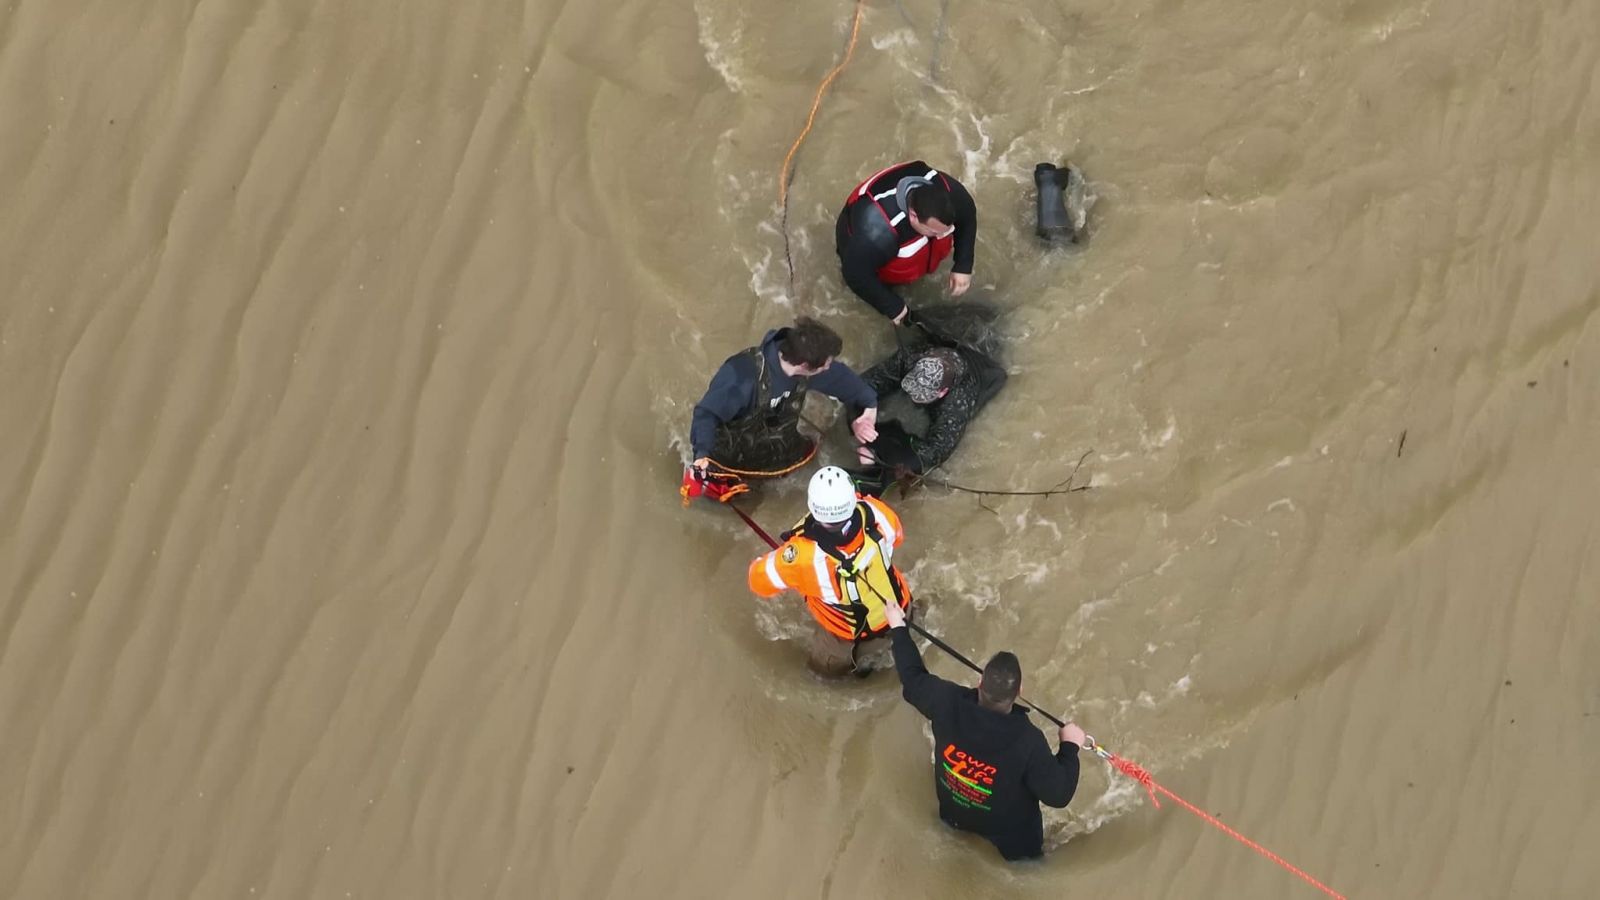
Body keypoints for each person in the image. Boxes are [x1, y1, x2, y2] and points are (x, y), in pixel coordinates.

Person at [882, 599, 1087, 861]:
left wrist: (898, 626)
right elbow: (1058, 795)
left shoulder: (946, 701)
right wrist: (1070, 746)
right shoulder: (1028, 740)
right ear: (1019, 693)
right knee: (1028, 866)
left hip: (955, 814)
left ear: (980, 681)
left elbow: (912, 678)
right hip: (1011, 836)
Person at [683, 318, 879, 503]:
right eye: (825, 365)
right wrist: (701, 455)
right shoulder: (740, 377)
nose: (829, 368)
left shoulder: (808, 366)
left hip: (772, 442)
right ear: (805, 366)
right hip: (727, 452)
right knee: (736, 500)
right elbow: (706, 414)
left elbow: (848, 383)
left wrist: (868, 410)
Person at [746, 466, 913, 675]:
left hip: (846, 637)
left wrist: (784, 558)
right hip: (901, 609)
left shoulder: (802, 558)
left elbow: (757, 581)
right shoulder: (878, 512)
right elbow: (898, 537)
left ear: (812, 506)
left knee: (819, 672)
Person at [849, 322, 1007, 494]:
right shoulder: (911, 357)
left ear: (943, 392)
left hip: (984, 362)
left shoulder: (956, 404)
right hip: (956, 331)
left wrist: (881, 449)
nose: (913, 397)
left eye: (922, 395)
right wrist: (863, 418)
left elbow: (936, 451)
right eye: (912, 388)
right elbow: (864, 385)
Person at [836, 160, 978, 324]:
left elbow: (967, 217)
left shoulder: (952, 194)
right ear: (913, 216)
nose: (942, 235)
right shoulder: (877, 233)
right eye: (934, 232)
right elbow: (855, 273)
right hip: (860, 240)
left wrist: (963, 264)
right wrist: (893, 306)